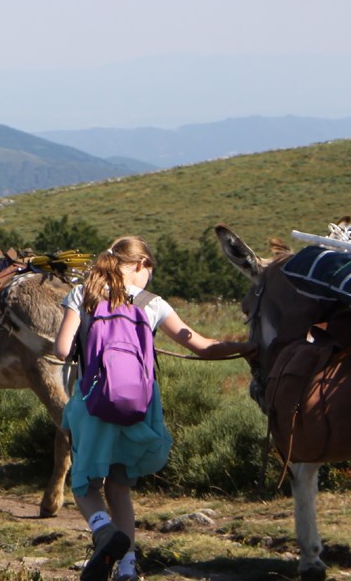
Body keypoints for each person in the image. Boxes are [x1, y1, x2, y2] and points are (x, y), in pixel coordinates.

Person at [52, 236, 251, 581]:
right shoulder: (151, 302)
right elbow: (200, 345)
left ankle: (103, 531)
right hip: (139, 405)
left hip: (93, 404)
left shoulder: (83, 295)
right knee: (119, 485)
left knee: (86, 485)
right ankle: (127, 569)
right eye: (149, 271)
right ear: (141, 265)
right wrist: (250, 347)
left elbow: (60, 349)